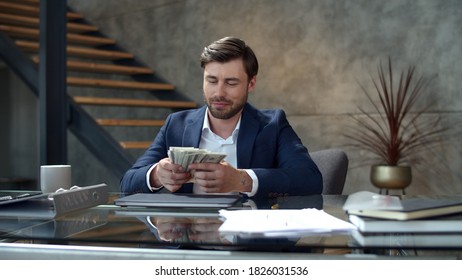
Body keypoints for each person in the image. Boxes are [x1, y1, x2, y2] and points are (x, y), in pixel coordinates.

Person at [120, 36, 323, 198]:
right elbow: (127, 182)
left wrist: (241, 180)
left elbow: (310, 180)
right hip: (189, 245)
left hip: (249, 243)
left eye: (231, 83)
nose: (219, 93)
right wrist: (156, 175)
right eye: (212, 80)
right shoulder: (176, 124)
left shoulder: (273, 125)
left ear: (251, 84)